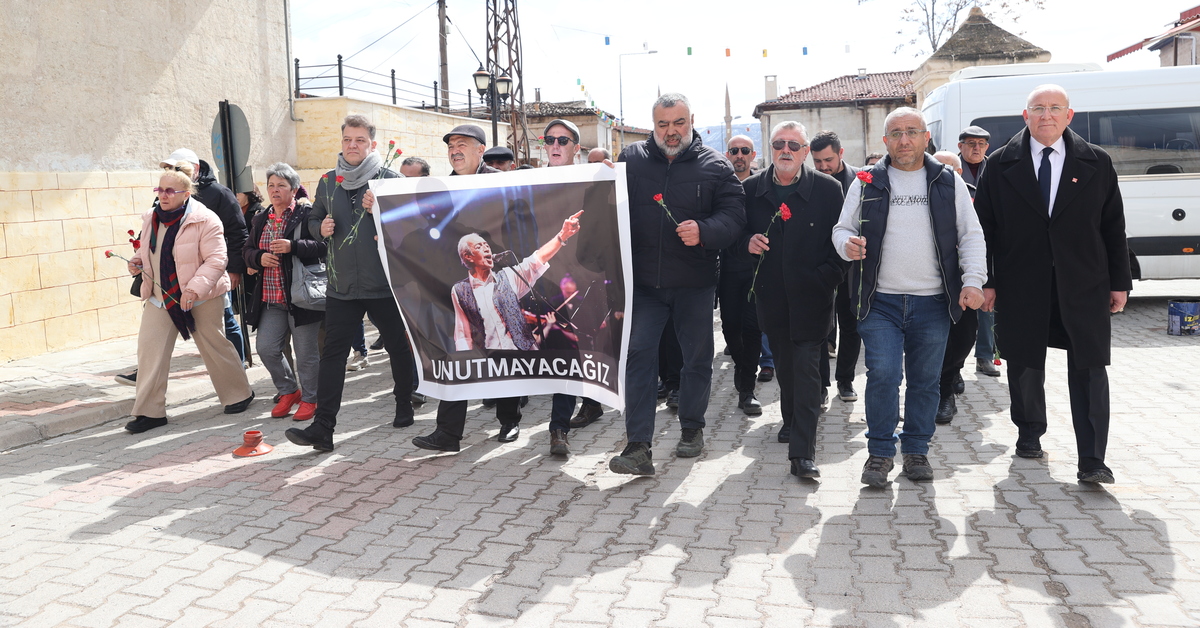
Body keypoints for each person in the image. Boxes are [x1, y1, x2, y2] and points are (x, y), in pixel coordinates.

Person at [974, 85, 1131, 484]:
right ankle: (1029, 432)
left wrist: (1119, 282)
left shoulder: (1097, 161)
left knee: (1091, 367)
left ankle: (1093, 459)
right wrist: (986, 281)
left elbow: (1113, 227)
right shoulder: (999, 164)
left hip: (1084, 282)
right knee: (1024, 362)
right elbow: (984, 229)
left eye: (1054, 108)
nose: (1046, 115)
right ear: (1024, 116)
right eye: (1038, 108)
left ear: (1069, 115)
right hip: (1021, 281)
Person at [832, 107, 987, 488]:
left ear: (925, 138)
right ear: (885, 141)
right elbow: (841, 228)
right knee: (882, 374)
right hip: (879, 301)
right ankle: (880, 454)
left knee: (925, 381)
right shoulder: (866, 180)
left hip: (933, 301)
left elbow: (971, 235)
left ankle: (916, 450)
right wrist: (845, 245)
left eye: (912, 132)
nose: (904, 140)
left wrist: (974, 281)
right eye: (896, 133)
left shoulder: (947, 181)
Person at [607, 93, 745, 475]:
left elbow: (735, 218)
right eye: (663, 124)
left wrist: (704, 230)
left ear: (691, 121)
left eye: (678, 123)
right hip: (645, 286)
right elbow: (607, 207)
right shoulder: (630, 160)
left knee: (696, 360)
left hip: (695, 283)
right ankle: (638, 446)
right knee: (638, 357)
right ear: (653, 125)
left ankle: (692, 428)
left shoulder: (716, 167)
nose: (671, 132)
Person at [284, 114, 417, 452]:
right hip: (341, 286)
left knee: (397, 347)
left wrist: (382, 212)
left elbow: (410, 229)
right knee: (332, 355)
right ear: (341, 142)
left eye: (360, 140)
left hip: (383, 285)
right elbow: (314, 217)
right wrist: (319, 229)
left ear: (372, 143)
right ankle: (323, 428)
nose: (353, 145)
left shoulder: (389, 178)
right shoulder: (329, 182)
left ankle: (404, 401)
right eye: (348, 140)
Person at [411, 124, 527, 453]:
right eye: (450, 146)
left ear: (481, 150)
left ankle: (509, 420)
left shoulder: (501, 181)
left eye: (462, 144)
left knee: (501, 350)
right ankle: (448, 433)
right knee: (458, 353)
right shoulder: (441, 187)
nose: (455, 150)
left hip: (495, 279)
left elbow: (517, 224)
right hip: (458, 283)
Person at [743, 122, 847, 478]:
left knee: (805, 370)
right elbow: (734, 233)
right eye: (779, 144)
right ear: (770, 149)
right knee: (786, 367)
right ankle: (791, 420)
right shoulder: (750, 190)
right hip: (771, 299)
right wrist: (747, 243)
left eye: (794, 145)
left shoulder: (829, 190)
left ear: (805, 152)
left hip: (813, 298)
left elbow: (843, 241)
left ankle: (802, 453)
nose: (785, 150)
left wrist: (825, 279)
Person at [124, 165, 254, 434]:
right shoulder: (151, 217)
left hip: (202, 295)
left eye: (170, 190)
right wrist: (138, 263)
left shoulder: (206, 219)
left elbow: (217, 260)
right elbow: (149, 251)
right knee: (150, 350)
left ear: (186, 193)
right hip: (162, 294)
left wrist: (194, 289)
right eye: (159, 189)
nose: (163, 195)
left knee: (213, 344)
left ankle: (238, 394)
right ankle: (149, 412)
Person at [539, 119, 606, 456]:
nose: (554, 145)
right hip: (550, 280)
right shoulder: (531, 180)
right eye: (549, 139)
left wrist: (611, 176)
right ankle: (558, 428)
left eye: (562, 140)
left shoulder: (593, 181)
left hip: (587, 280)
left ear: (575, 148)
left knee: (588, 346)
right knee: (563, 351)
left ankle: (593, 403)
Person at [243, 163, 325, 423]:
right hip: (271, 298)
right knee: (266, 348)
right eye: (271, 186)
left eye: (281, 185)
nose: (275, 190)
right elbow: (246, 251)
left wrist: (294, 246)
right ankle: (289, 390)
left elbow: (323, 245)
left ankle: (311, 399)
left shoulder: (305, 213)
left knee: (306, 355)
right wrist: (258, 257)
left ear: (293, 188)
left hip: (301, 298)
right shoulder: (261, 218)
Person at [160, 148, 250, 365]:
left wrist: (234, 269)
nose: (173, 172)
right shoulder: (167, 195)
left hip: (213, 272)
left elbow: (238, 233)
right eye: (170, 168)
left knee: (226, 321)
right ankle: (146, 371)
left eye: (178, 168)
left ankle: (238, 365)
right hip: (177, 273)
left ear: (195, 169)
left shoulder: (220, 194)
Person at [451, 218, 582, 350]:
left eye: (487, 245)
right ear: (468, 256)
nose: (486, 249)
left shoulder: (508, 276)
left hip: (524, 357)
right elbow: (463, 335)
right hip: (493, 363)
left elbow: (536, 260)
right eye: (479, 247)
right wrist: (466, 363)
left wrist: (562, 235)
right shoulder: (460, 291)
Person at [809, 130, 862, 404]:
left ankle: (846, 380)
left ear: (841, 153)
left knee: (851, 326)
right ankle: (820, 386)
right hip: (822, 266)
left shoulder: (862, 180)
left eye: (827, 160)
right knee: (820, 329)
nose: (823, 167)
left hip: (853, 268)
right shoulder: (810, 182)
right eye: (817, 161)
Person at [928, 151, 980, 425]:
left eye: (950, 169)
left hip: (964, 282)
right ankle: (941, 391)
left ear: (959, 174)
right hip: (930, 282)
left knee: (963, 337)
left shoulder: (974, 196)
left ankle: (951, 374)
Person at [718, 134, 764, 416]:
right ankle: (741, 364)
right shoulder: (720, 185)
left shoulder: (761, 188)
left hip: (756, 271)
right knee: (730, 327)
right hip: (727, 268)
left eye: (744, 150)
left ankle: (747, 388)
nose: (739, 154)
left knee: (753, 328)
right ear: (727, 155)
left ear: (752, 155)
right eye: (734, 150)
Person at [957, 126, 1001, 378]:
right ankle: (955, 363)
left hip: (987, 244)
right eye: (971, 143)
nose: (977, 148)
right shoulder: (950, 169)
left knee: (987, 302)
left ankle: (985, 355)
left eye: (982, 144)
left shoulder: (995, 168)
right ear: (960, 145)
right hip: (957, 245)